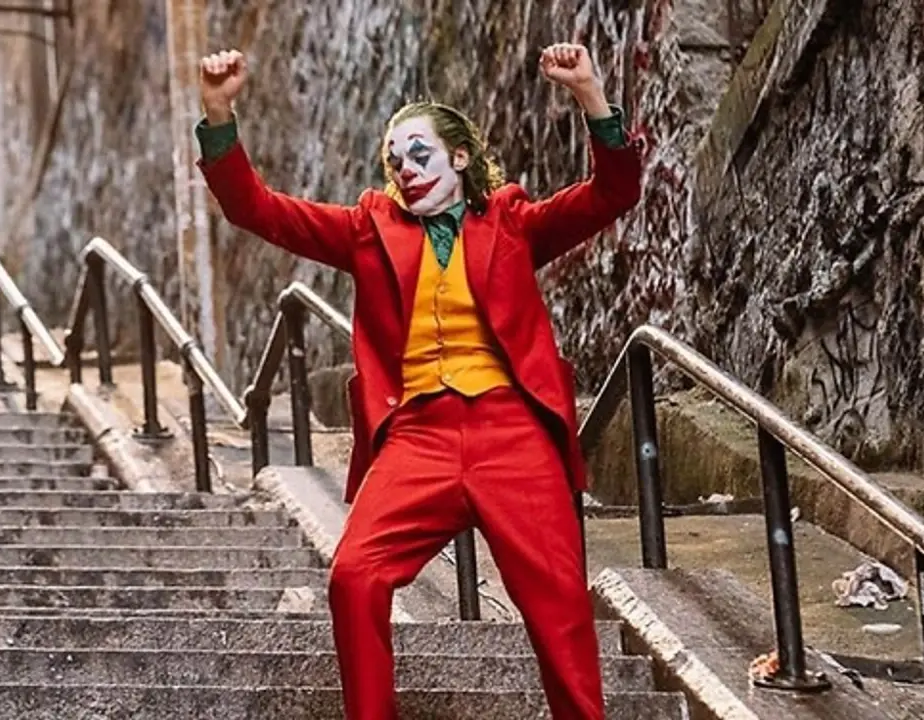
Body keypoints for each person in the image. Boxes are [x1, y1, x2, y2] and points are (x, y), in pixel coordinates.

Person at [196, 42, 642, 720]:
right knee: (354, 576)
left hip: (513, 433)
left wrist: (590, 95)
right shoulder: (367, 230)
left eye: (420, 154)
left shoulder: (512, 223)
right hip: (418, 437)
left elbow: (613, 193)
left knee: (560, 608)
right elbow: (256, 209)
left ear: (460, 158)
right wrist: (218, 114)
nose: (406, 169)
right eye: (396, 160)